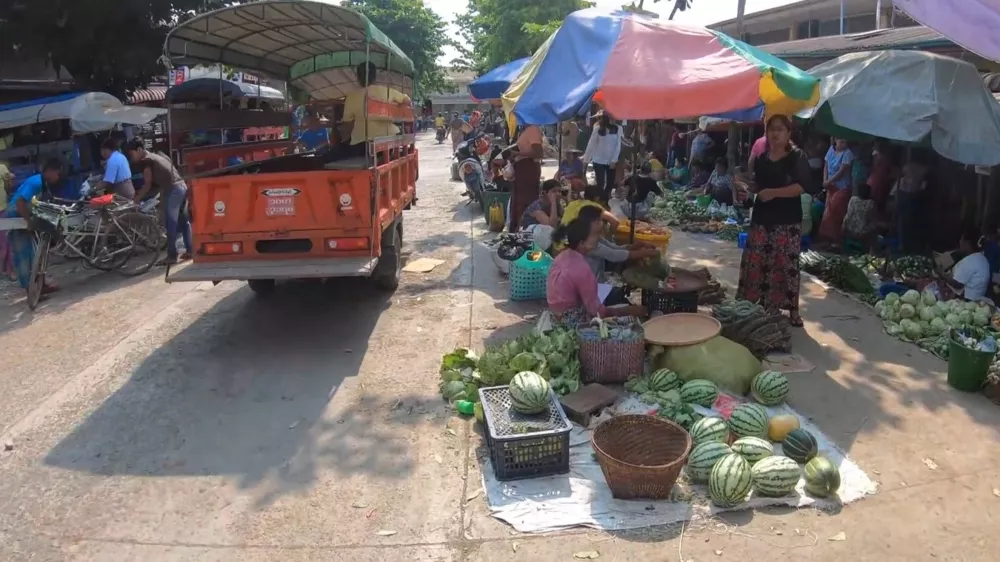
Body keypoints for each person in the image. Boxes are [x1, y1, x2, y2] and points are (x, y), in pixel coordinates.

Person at [737, 115, 816, 327]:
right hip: (762, 218)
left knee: (785, 264)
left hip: (787, 220)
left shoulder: (797, 157)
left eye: (780, 129)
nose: (775, 133)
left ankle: (793, 310)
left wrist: (775, 193)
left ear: (789, 133)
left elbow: (803, 186)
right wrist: (746, 192)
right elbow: (757, 186)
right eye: (771, 129)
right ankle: (758, 305)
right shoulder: (761, 159)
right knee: (757, 261)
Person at [546, 216, 646, 327]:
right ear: (582, 243)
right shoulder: (582, 268)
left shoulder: (562, 256)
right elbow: (597, 311)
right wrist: (627, 310)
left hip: (554, 317)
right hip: (569, 321)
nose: (598, 238)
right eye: (594, 236)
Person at [126, 138, 193, 265]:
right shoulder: (157, 156)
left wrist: (136, 199)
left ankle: (172, 256)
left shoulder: (147, 161)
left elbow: (147, 184)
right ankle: (190, 250)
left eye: (131, 154)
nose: (131, 158)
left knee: (170, 224)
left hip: (174, 190)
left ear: (139, 150)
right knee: (183, 221)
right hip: (181, 186)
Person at [6, 159, 64, 297]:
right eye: (57, 173)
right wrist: (29, 222)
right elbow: (20, 202)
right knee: (24, 255)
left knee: (36, 253)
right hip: (17, 217)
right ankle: (31, 291)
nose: (58, 177)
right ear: (50, 171)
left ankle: (41, 285)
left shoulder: (43, 184)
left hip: (26, 216)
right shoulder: (36, 182)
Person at [341, 61, 411, 157]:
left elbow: (347, 124)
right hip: (388, 141)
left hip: (361, 144)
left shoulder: (352, 96)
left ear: (358, 77)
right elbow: (407, 101)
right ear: (375, 76)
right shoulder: (387, 91)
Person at [817, 137, 854, 246]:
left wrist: (828, 181)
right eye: (841, 141)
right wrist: (825, 180)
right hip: (830, 186)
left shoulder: (848, 153)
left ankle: (836, 240)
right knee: (827, 211)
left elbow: (841, 171)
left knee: (836, 212)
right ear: (836, 141)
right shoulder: (831, 150)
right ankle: (826, 239)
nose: (843, 144)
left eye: (845, 142)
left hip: (842, 187)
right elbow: (826, 166)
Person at [891, 153, 930, 254]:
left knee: (902, 223)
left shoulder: (906, 170)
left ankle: (903, 245)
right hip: (914, 198)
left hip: (906, 198)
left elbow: (895, 193)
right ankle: (911, 246)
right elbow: (923, 187)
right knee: (912, 224)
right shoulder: (923, 169)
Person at [508, 124, 544, 231]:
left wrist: (517, 153)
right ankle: (517, 229)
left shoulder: (533, 129)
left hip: (528, 170)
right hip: (522, 170)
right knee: (519, 201)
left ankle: (525, 228)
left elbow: (538, 152)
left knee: (526, 201)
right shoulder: (525, 130)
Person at [583, 114, 622, 199]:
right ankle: (601, 199)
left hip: (611, 160)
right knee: (600, 183)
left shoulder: (618, 129)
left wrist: (614, 160)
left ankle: (606, 196)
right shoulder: (598, 128)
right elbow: (591, 144)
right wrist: (586, 160)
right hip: (598, 160)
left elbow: (618, 145)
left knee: (610, 182)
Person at [946, 230, 991, 302]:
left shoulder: (970, 261)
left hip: (966, 301)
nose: (960, 242)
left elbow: (957, 284)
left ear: (967, 243)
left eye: (961, 239)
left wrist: (942, 274)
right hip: (977, 300)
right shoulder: (982, 258)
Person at [842, 182, 877, 248]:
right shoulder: (871, 203)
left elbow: (848, 215)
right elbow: (872, 219)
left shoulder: (853, 199)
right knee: (875, 226)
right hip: (862, 233)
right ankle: (871, 248)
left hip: (849, 230)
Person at [0, 161, 13, 280]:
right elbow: (9, 183)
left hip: (2, 209)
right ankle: (8, 271)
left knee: (5, 242)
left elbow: (9, 182)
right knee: (5, 242)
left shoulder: (2, 168)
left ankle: (9, 270)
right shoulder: (2, 168)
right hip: (2, 208)